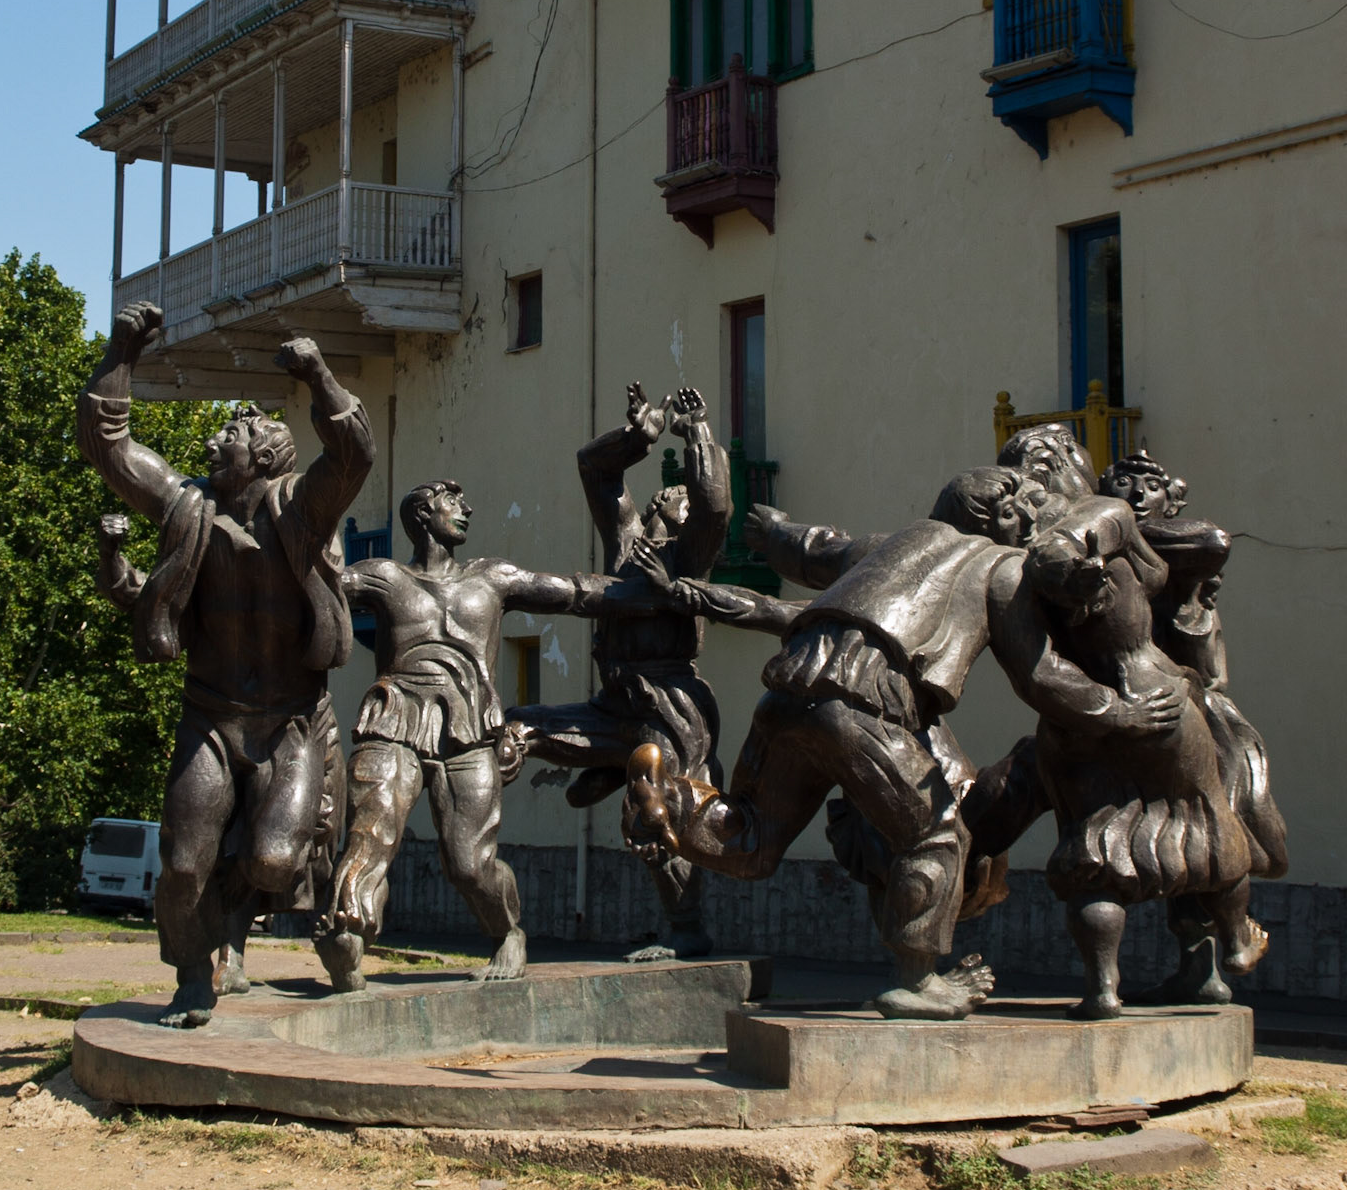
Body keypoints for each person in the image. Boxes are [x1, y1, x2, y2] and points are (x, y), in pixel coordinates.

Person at [622, 466, 1179, 1019]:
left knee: (754, 831)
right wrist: (1120, 711)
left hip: (786, 694)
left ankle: (671, 802)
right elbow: (1041, 676)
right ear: (1000, 521)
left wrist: (775, 534)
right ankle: (917, 981)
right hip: (864, 704)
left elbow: (818, 553)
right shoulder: (1002, 568)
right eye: (1023, 512)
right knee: (936, 836)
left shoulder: (891, 544)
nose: (1033, 525)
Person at [78, 302, 374, 1027]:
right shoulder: (188, 509)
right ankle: (191, 977)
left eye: (232, 435)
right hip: (210, 714)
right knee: (181, 864)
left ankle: (232, 925)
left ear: (267, 456)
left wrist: (317, 375)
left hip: (292, 724)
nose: (214, 441)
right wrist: (123, 350)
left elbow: (354, 455)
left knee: (275, 862)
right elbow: (107, 446)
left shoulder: (300, 515)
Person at [324, 480, 663, 987]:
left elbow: (571, 592)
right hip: (397, 719)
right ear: (420, 515)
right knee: (371, 831)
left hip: (469, 730)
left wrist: (648, 593)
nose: (467, 508)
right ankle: (347, 929)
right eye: (451, 501)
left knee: (469, 864)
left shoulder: (493, 577)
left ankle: (507, 933)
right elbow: (317, 582)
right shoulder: (384, 578)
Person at [1010, 489, 1263, 1017]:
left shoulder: (1008, 572)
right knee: (1209, 818)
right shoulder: (1107, 517)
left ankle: (1103, 988)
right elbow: (1167, 569)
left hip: (1078, 722)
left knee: (1092, 850)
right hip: (1157, 698)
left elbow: (1033, 670)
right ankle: (1238, 938)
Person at [508, 383, 731, 960]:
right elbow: (594, 469)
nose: (685, 507)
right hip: (615, 703)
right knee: (514, 729)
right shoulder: (628, 543)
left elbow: (718, 507)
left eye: (687, 503)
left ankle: (685, 931)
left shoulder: (688, 560)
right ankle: (496, 915)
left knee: (662, 799)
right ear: (656, 506)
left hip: (671, 705)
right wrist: (642, 433)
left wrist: (697, 434)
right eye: (676, 499)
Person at [1098, 448, 1287, 1003]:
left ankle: (1210, 959)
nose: (1134, 495)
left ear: (1170, 500)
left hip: (1196, 711)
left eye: (1147, 486)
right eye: (1122, 484)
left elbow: (1212, 541)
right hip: (1129, 710)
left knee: (1213, 827)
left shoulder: (1175, 550)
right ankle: (1198, 969)